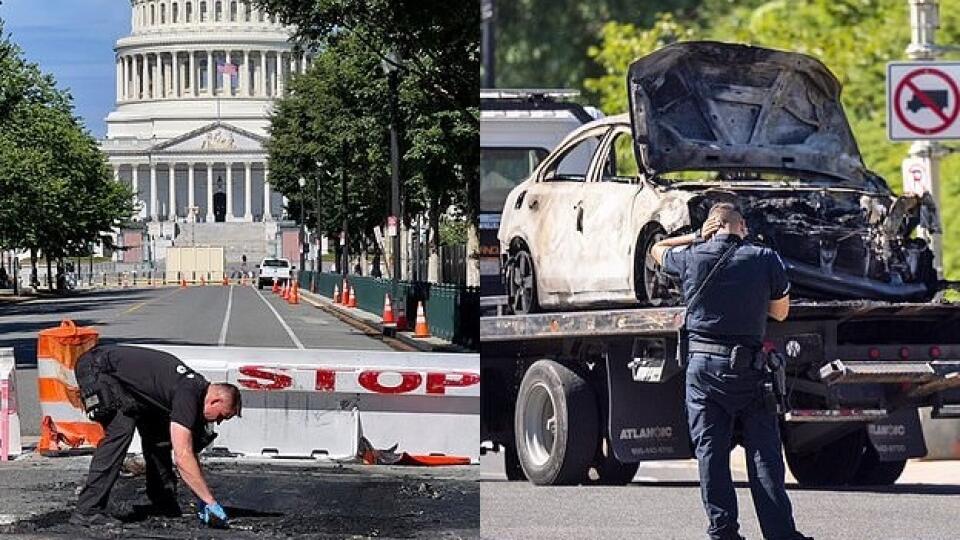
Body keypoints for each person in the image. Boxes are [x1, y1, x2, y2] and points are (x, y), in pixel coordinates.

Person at [651, 203, 809, 540]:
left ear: (712, 226)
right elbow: (780, 313)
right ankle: (781, 534)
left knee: (711, 453)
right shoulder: (763, 257)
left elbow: (656, 249)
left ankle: (723, 533)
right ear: (741, 226)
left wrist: (695, 237)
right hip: (750, 371)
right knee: (764, 455)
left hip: (703, 370)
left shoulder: (692, 257)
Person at [70, 345, 242, 528]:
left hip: (123, 381)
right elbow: (183, 455)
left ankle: (162, 499)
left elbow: (187, 448)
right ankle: (87, 509)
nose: (220, 422)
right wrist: (209, 501)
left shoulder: (193, 389)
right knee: (121, 430)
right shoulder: (188, 394)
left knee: (158, 434)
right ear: (215, 400)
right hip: (97, 368)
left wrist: (201, 494)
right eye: (223, 416)